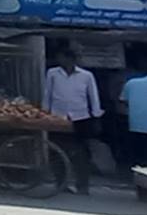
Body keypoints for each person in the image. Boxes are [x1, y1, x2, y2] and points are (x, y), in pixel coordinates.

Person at [45, 45, 104, 194]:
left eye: (62, 57)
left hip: (81, 117)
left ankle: (83, 185)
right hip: (57, 116)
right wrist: (45, 112)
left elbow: (93, 96)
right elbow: (48, 93)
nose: (59, 60)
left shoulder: (86, 75)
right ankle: (61, 183)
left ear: (70, 59)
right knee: (57, 150)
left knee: (82, 152)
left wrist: (96, 115)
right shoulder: (53, 73)